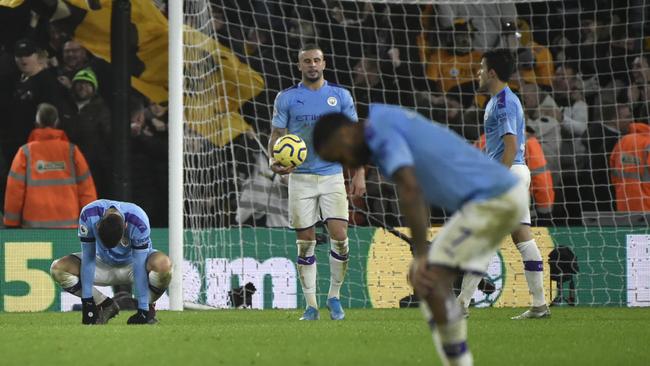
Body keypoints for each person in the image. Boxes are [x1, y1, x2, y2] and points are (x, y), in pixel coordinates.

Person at [312, 104, 527, 366]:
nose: (344, 164)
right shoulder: (384, 121)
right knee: (427, 283)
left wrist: (422, 254)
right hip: (485, 200)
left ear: (344, 135)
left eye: (339, 156)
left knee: (428, 277)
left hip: (494, 199)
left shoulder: (381, 133)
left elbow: (411, 189)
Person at [269, 44, 366, 321]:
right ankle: (311, 306)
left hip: (332, 175)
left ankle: (334, 297)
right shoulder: (287, 98)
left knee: (340, 237)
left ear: (324, 64)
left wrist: (358, 173)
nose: (312, 65)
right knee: (306, 241)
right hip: (300, 179)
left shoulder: (340, 96)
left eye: (317, 60)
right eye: (307, 61)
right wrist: (273, 161)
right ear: (299, 66)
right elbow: (277, 133)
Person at [457, 49, 549, 320]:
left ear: (492, 72)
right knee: (522, 237)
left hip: (508, 173)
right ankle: (540, 305)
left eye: (481, 68)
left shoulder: (504, 103)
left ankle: (460, 304)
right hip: (516, 173)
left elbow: (509, 146)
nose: (478, 73)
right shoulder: (498, 100)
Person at [50, 199, 173, 325]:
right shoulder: (89, 214)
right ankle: (104, 304)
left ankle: (148, 306)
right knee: (58, 269)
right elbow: (88, 258)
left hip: (134, 266)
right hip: (101, 263)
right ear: (97, 225)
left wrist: (143, 308)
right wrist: (88, 302)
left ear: (125, 226)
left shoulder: (138, 219)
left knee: (163, 265)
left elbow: (139, 265)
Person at [3, 103, 96, 228]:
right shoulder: (72, 152)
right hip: (67, 225)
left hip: (34, 226)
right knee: (68, 248)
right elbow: (86, 189)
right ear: (56, 122)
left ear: (37, 123)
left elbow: (14, 191)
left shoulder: (25, 152)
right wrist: (91, 222)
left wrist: (11, 223)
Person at [64, 68, 111, 198]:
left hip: (93, 170)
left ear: (94, 88)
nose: (82, 87)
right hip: (68, 168)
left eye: (87, 83)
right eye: (79, 83)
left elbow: (108, 138)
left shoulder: (102, 110)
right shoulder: (66, 106)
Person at [609, 122, 650, 212]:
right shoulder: (648, 142)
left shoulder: (623, 141)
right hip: (647, 209)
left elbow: (613, 174)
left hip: (624, 207)